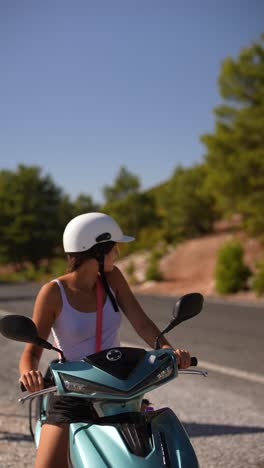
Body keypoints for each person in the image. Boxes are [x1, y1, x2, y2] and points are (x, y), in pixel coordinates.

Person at [19, 212, 191, 468]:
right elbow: (31, 352)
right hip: (73, 389)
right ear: (97, 251)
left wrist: (167, 349)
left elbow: (141, 322)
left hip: (119, 385)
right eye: (114, 248)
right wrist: (29, 373)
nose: (118, 254)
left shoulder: (113, 279)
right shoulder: (54, 293)